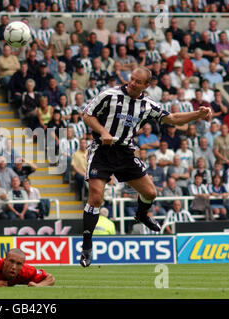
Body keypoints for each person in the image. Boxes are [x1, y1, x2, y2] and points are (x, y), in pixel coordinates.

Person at [80, 66, 211, 268]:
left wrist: (198, 115)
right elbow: (87, 115)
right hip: (102, 150)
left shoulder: (147, 104)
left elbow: (173, 119)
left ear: (146, 85)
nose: (132, 83)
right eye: (131, 79)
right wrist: (103, 132)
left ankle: (141, 215)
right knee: (96, 198)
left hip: (125, 152)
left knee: (150, 193)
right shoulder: (109, 95)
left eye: (137, 82)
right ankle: (87, 246)